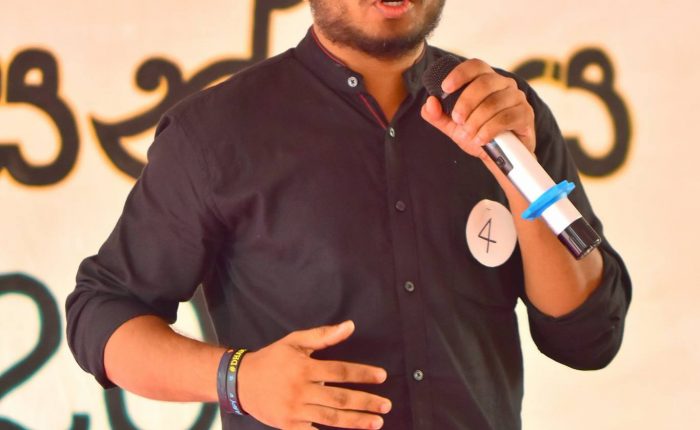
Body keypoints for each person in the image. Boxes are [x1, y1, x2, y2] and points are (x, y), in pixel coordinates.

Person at [66, 1, 632, 429]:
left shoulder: (503, 112)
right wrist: (238, 378)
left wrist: (517, 172)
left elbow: (587, 337)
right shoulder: (216, 132)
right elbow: (102, 313)